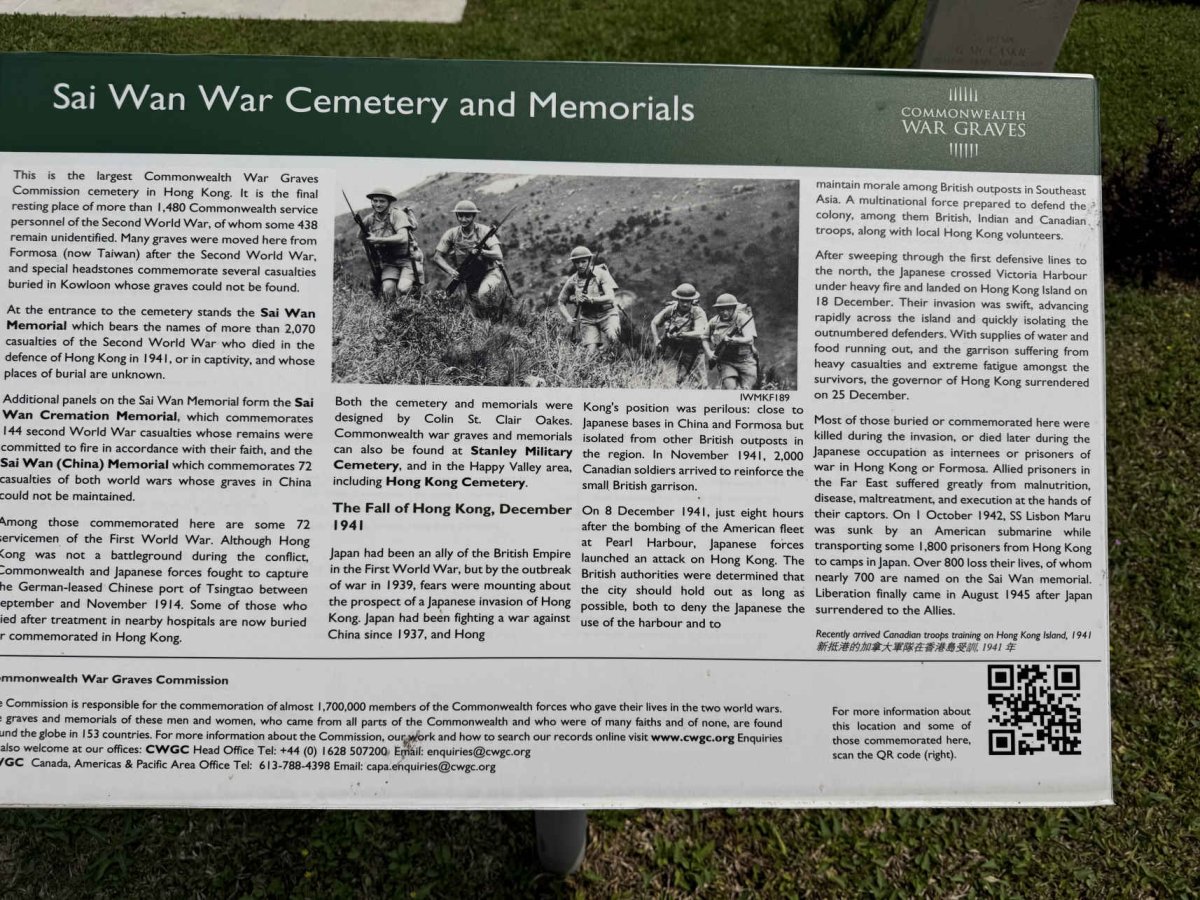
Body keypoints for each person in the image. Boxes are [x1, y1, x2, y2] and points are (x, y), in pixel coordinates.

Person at [433, 199, 507, 319]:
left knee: (483, 295)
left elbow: (498, 255)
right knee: (468, 311)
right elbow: (437, 257)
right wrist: (451, 271)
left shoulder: (484, 231)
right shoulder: (452, 234)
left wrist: (482, 252)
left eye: (467, 216)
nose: (463, 219)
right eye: (460, 216)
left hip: (489, 273)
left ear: (473, 216)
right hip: (467, 277)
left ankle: (493, 322)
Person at [361, 186, 418, 309]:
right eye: (375, 201)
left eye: (382, 201)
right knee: (387, 290)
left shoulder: (397, 215)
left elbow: (403, 237)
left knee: (403, 288)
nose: (378, 204)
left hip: (408, 259)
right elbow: (362, 238)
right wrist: (371, 254)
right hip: (389, 262)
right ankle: (393, 315)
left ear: (389, 202)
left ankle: (414, 307)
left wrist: (378, 240)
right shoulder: (369, 220)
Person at [556, 246, 620, 354]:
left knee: (614, 339)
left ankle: (618, 362)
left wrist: (591, 299)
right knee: (590, 353)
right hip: (588, 318)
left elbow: (610, 297)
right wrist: (568, 318)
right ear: (573, 263)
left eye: (583, 261)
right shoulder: (572, 281)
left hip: (607, 314)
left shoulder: (601, 274)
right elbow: (561, 302)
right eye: (577, 262)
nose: (580, 265)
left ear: (589, 260)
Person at [650, 283, 709, 387]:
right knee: (668, 383)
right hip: (672, 350)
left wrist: (682, 334)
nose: (685, 304)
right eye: (682, 300)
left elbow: (700, 332)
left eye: (688, 301)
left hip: (693, 351)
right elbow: (654, 322)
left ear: (692, 300)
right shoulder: (671, 310)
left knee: (701, 385)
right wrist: (656, 339)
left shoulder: (698, 312)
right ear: (678, 299)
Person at [706, 293, 759, 389]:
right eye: (722, 310)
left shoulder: (743, 318)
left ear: (734, 308)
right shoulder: (714, 322)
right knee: (730, 388)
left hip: (745, 361)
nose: (725, 313)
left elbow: (749, 339)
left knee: (747, 389)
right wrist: (710, 353)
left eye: (729, 309)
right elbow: (704, 337)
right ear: (717, 310)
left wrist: (735, 340)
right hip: (726, 362)